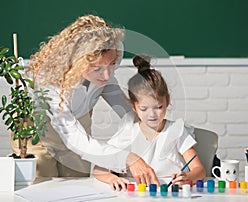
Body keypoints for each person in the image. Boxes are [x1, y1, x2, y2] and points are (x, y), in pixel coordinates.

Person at [10, 14, 159, 186]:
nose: (107, 75)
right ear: (78, 62)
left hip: (79, 123)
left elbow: (115, 94)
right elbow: (74, 138)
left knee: (77, 187)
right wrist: (126, 158)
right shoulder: (50, 81)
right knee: (43, 186)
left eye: (111, 64)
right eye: (97, 69)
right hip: (39, 132)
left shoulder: (112, 50)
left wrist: (148, 123)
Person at [93, 55, 206, 191]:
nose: (152, 115)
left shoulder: (176, 130)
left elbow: (199, 169)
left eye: (158, 107)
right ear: (134, 106)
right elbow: (98, 169)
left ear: (167, 101)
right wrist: (113, 178)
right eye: (143, 109)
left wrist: (187, 178)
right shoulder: (128, 132)